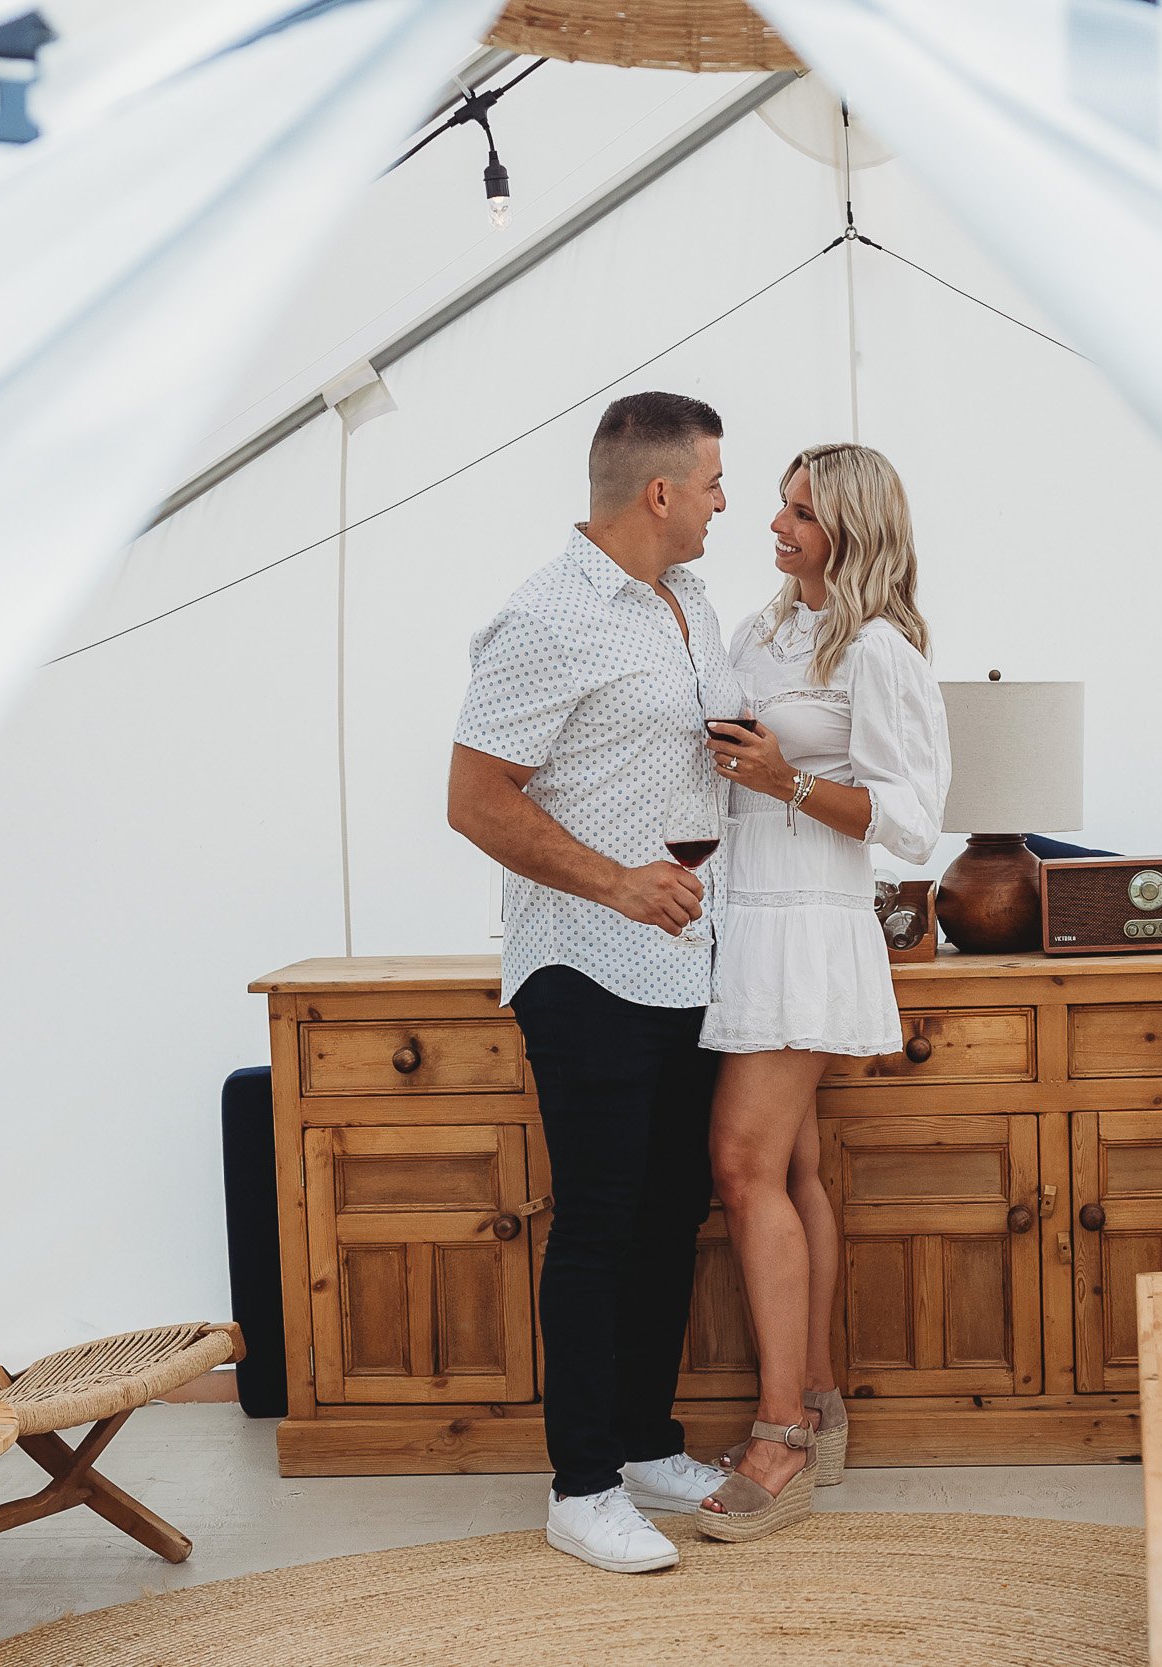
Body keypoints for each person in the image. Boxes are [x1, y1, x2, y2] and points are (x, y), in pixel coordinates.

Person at [447, 390, 747, 1574]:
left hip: (690, 962)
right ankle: (580, 1485)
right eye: (714, 482)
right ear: (659, 491)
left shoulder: (691, 601)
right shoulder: (544, 618)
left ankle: (643, 1441)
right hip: (584, 963)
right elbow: (475, 799)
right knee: (600, 1225)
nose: (724, 501)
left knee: (671, 1215)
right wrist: (616, 883)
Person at [693, 443, 950, 1542]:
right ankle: (822, 1402)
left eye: (801, 511)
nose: (776, 524)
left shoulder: (879, 649)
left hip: (807, 926)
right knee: (791, 1168)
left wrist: (785, 778)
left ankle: (779, 1435)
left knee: (741, 1166)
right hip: (739, 915)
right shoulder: (758, 632)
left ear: (851, 527)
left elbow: (912, 823)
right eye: (779, 505)